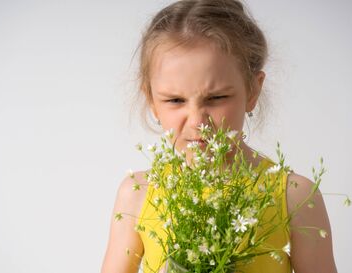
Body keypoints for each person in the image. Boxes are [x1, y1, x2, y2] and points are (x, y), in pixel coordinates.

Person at [101, 0, 337, 272]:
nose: (198, 121)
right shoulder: (138, 193)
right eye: (175, 100)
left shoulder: (294, 197)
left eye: (216, 98)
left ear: (252, 91)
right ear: (151, 99)